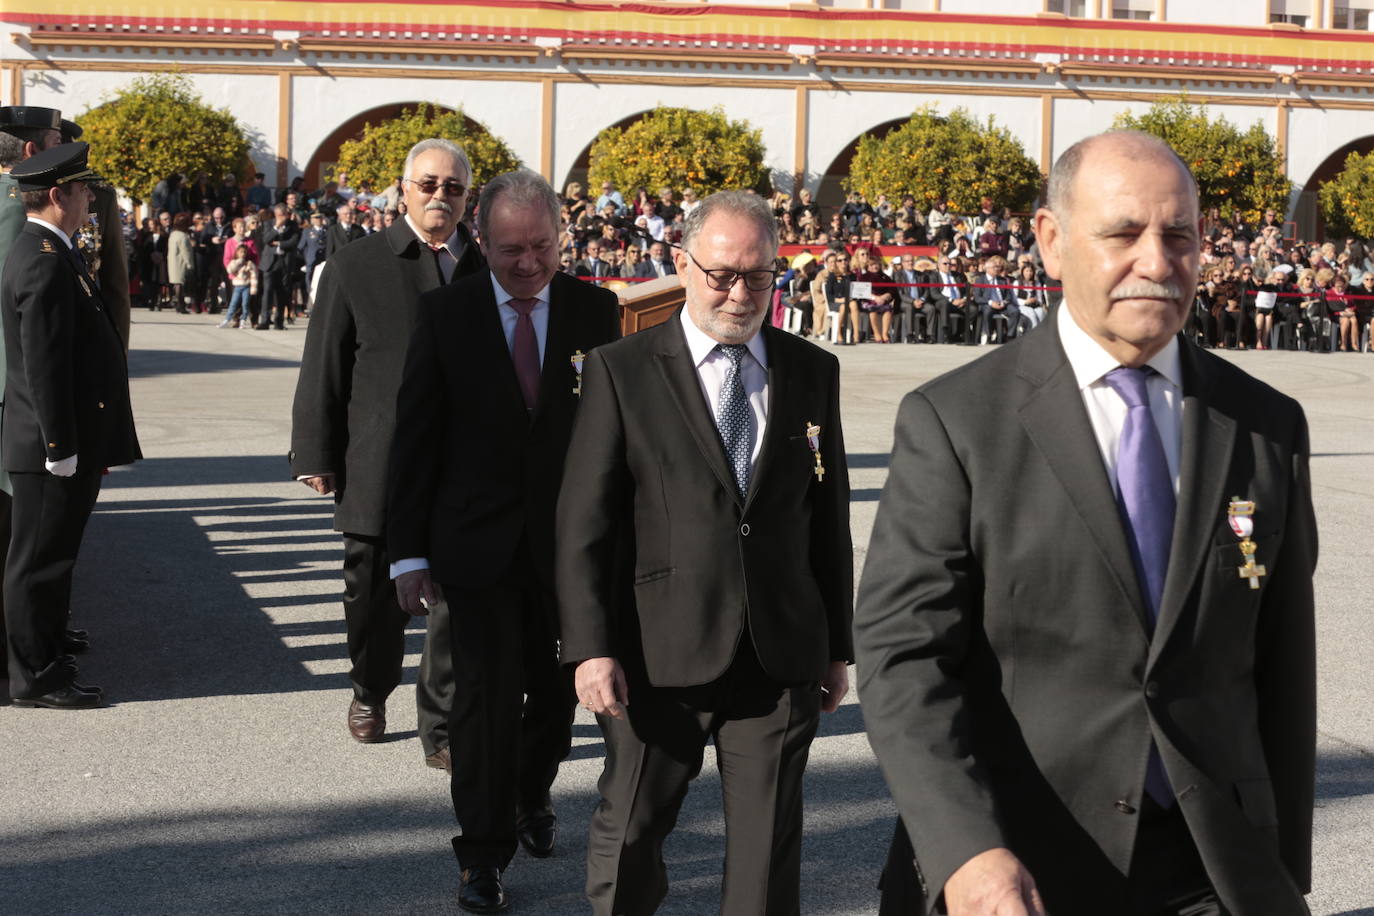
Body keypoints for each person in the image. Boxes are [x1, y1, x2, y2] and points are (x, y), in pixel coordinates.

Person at [855, 130, 1316, 916]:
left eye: (1180, 236)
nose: (1157, 261)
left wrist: (1281, 865)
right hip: (1019, 865)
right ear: (1052, 241)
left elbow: (1282, 661)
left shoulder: (1265, 425)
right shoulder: (957, 422)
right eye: (1123, 233)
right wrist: (965, 849)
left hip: (1216, 870)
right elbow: (905, 660)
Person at [556, 190, 853, 915]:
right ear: (682, 265)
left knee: (765, 856)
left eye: (759, 275)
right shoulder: (620, 370)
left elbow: (828, 517)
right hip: (657, 653)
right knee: (630, 834)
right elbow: (583, 521)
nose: (740, 293)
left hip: (779, 653)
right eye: (722, 274)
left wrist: (838, 645)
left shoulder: (811, 371)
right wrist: (591, 647)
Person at [386, 169, 620, 914]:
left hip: (569, 550)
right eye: (511, 249)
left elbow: (616, 435)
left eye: (542, 247)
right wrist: (409, 553)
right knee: (481, 708)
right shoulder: (446, 314)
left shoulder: (595, 311)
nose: (527, 264)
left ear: (562, 239)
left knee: (555, 697)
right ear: (481, 241)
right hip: (475, 549)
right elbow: (414, 440)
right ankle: (480, 856)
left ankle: (530, 792)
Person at [290, 138, 484, 766]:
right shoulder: (359, 263)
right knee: (371, 593)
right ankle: (369, 689)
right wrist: (316, 453)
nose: (439, 197)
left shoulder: (487, 269)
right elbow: (324, 364)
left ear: (466, 198)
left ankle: (444, 725)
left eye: (453, 188)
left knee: (454, 602)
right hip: (379, 462)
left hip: (462, 467)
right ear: (404, 190)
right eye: (428, 184)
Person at [1, 142, 140, 707]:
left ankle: (49, 644)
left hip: (65, 437)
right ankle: (34, 676)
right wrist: (59, 445)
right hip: (47, 443)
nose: (89, 199)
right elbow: (43, 366)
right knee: (36, 562)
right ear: (58, 195)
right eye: (83, 191)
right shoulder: (40, 260)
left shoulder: (53, 250)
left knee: (56, 556)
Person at [256, 203, 299, 330]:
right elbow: (266, 240)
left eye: (284, 215)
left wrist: (278, 243)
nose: (282, 218)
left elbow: (293, 241)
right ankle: (264, 320)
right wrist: (276, 228)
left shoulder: (292, 225)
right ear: (275, 215)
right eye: (280, 215)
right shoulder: (269, 224)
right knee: (267, 291)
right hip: (270, 262)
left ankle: (279, 321)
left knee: (282, 293)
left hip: (284, 262)